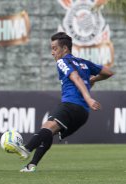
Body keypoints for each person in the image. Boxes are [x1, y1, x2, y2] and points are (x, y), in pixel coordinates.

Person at [8, 32, 114, 172]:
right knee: (48, 131)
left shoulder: (63, 61)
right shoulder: (84, 63)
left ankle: (27, 148)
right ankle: (31, 165)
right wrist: (92, 80)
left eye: (54, 48)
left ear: (65, 49)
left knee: (47, 127)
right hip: (83, 113)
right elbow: (108, 72)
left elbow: (75, 77)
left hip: (71, 105)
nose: (52, 53)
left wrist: (88, 98)